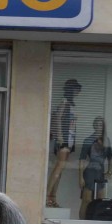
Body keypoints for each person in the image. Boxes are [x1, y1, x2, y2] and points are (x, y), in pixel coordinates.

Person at [47, 78, 81, 208]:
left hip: (70, 139)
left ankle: (52, 197)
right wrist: (60, 137)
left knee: (60, 171)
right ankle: (47, 196)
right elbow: (57, 119)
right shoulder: (64, 102)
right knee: (58, 168)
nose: (78, 92)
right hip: (64, 140)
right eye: (76, 89)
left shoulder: (71, 104)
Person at [77, 116, 112, 219]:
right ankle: (81, 223)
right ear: (94, 126)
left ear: (103, 127)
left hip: (101, 172)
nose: (99, 127)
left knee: (101, 200)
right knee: (86, 200)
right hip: (89, 172)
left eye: (101, 125)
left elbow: (111, 157)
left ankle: (98, 222)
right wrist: (80, 177)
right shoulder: (88, 140)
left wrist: (110, 171)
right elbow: (82, 159)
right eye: (97, 124)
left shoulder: (106, 141)